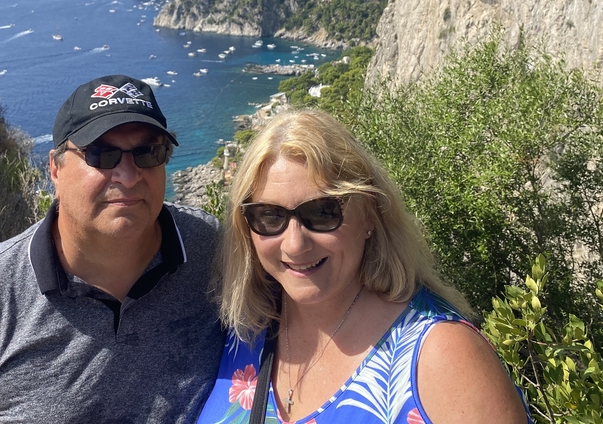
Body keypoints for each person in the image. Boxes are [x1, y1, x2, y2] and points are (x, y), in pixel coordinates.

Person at [0, 74, 225, 423]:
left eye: (148, 152)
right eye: (101, 154)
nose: (128, 177)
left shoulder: (212, 251)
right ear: (55, 168)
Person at [197, 109, 530, 424]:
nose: (295, 244)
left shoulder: (443, 357)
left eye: (322, 212)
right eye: (270, 216)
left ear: (369, 212)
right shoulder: (246, 330)